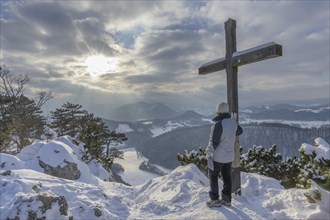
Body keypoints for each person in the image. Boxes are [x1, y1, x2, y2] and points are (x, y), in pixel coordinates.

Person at [205, 102, 243, 207]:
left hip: (218, 156)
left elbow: (213, 141)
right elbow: (239, 131)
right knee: (227, 177)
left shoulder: (218, 124)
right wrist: (234, 122)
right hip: (229, 156)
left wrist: (209, 152)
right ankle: (226, 199)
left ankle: (215, 199)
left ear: (219, 111)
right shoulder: (233, 123)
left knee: (213, 176)